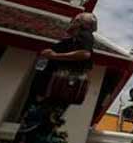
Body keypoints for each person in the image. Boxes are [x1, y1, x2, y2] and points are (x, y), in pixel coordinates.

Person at [14, 12, 97, 143]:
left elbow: (85, 54)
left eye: (75, 20)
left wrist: (55, 56)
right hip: (51, 84)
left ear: (82, 24)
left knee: (41, 120)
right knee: (36, 120)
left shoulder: (85, 36)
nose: (72, 23)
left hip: (61, 85)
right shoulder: (69, 40)